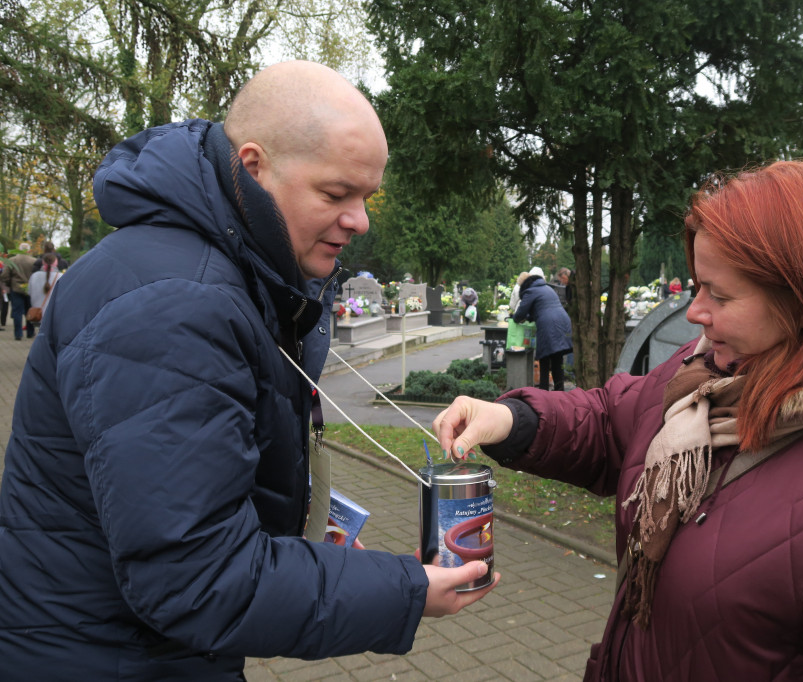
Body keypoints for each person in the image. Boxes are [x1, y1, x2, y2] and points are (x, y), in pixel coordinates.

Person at [0, 61, 498, 681]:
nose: (360, 221)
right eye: (336, 194)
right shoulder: (177, 304)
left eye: (365, 197)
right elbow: (197, 577)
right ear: (254, 167)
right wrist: (403, 590)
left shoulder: (225, 271)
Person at [433, 160, 803, 680]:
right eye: (696, 286)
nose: (695, 312)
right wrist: (509, 420)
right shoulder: (707, 379)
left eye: (719, 294)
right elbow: (615, 419)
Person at [513, 269, 572, 391]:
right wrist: (529, 317)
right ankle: (559, 393)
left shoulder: (530, 291)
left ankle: (543, 393)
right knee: (557, 360)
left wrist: (515, 318)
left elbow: (520, 314)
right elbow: (542, 308)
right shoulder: (547, 288)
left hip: (548, 325)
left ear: (523, 285)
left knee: (544, 360)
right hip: (563, 323)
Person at [0, 250, 37, 340]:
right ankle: (30, 332)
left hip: (16, 289)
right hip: (29, 288)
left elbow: (5, 275)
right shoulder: (34, 261)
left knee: (17, 312)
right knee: (29, 311)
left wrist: (10, 284)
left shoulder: (12, 260)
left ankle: (18, 334)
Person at [27, 252, 61, 321]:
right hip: (53, 314)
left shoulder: (34, 276)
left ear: (42, 262)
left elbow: (29, 293)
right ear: (56, 263)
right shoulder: (61, 276)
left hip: (37, 313)